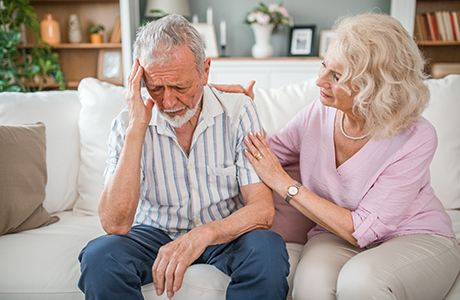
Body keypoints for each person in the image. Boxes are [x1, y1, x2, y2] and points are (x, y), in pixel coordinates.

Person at [217, 13, 460, 300]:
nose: (320, 81)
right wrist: (242, 113)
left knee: (360, 283)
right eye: (324, 65)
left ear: (375, 86)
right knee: (310, 286)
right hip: (333, 234)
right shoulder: (318, 114)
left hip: (414, 235)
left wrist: (284, 183)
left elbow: (363, 230)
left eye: (336, 76)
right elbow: (266, 154)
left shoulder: (416, 136)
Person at [77, 14, 289, 300]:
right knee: (99, 257)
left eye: (180, 87)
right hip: (154, 233)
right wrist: (137, 129)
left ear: (205, 71)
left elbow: (262, 210)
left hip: (224, 233)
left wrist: (203, 235)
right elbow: (115, 224)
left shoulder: (238, 111)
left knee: (267, 251)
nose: (168, 102)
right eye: (155, 87)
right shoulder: (127, 123)